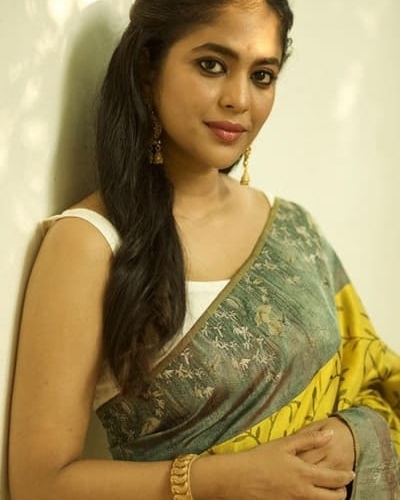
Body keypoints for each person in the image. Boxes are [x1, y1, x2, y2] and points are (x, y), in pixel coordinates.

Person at [8, 0, 400, 499]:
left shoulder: (291, 226)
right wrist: (230, 478)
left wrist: (350, 434)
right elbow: (39, 483)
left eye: (262, 75)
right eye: (212, 65)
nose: (239, 99)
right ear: (148, 68)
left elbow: (375, 380)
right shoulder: (91, 243)